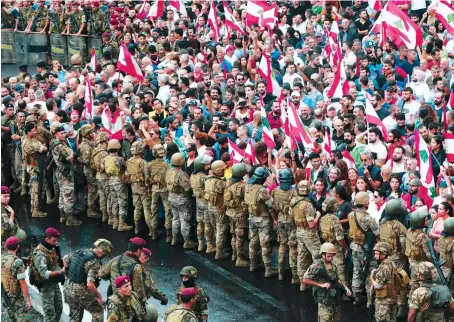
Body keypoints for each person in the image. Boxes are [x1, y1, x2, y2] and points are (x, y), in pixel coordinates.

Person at [63, 239, 113, 322]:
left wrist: (67, 273)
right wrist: (99, 297)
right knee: (98, 311)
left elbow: (65, 259)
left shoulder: (79, 252)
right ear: (101, 252)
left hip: (68, 286)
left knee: (75, 314)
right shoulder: (94, 263)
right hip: (81, 291)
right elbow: (90, 284)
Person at [303, 242, 352, 322]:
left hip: (334, 297)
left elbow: (338, 279)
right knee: (325, 319)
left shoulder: (333, 263)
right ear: (323, 254)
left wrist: (346, 289)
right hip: (324, 299)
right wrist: (321, 285)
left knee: (336, 318)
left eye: (332, 256)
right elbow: (305, 279)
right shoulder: (317, 265)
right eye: (329, 256)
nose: (331, 258)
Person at [245, 167, 278, 278]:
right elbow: (271, 205)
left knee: (253, 242)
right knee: (265, 244)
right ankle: (268, 269)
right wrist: (275, 219)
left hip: (252, 218)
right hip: (263, 219)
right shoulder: (262, 190)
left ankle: (253, 265)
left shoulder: (248, 187)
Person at [348, 191, 380, 305]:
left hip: (355, 247)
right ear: (366, 203)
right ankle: (369, 301)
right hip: (367, 249)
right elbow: (377, 233)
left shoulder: (351, 215)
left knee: (357, 271)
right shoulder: (368, 218)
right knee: (370, 273)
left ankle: (356, 297)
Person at [379, 199, 409, 317]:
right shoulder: (400, 226)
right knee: (401, 281)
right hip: (397, 258)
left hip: (385, 256)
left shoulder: (382, 222)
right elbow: (403, 245)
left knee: (388, 279)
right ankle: (401, 306)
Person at [1, 236, 43, 322]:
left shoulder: (2, 258)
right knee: (23, 318)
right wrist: (28, 300)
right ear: (17, 247)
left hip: (4, 294)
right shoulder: (17, 262)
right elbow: (22, 282)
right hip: (16, 297)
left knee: (7, 317)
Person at [289, 180, 321, 290]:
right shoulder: (308, 205)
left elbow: (290, 216)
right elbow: (311, 224)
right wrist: (318, 215)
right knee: (318, 257)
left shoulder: (294, 201)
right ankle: (314, 280)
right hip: (309, 233)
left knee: (301, 256)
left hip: (299, 231)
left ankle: (302, 283)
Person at [30, 228, 65, 322]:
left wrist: (61, 269)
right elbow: (44, 274)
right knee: (49, 312)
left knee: (59, 308)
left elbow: (55, 263)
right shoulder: (39, 253)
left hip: (54, 283)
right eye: (54, 240)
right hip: (45, 286)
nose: (55, 242)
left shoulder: (51, 248)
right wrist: (61, 272)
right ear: (47, 240)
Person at [270, 168, 298, 282]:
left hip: (280, 220)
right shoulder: (293, 192)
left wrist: (275, 219)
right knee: (292, 248)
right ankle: (294, 276)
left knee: (282, 246)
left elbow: (271, 208)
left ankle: (280, 273)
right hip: (291, 222)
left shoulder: (275, 191)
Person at [99, 237, 147, 303]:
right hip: (128, 303)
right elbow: (139, 292)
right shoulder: (137, 267)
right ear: (138, 250)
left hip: (113, 300)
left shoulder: (115, 259)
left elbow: (101, 274)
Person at [51, 125, 82, 226]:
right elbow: (71, 158)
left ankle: (62, 216)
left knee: (62, 195)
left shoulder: (54, 143)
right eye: (61, 133)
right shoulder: (60, 146)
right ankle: (70, 218)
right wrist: (75, 153)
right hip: (66, 173)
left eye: (64, 133)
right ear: (56, 134)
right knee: (68, 196)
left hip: (59, 172)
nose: (64, 135)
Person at [165, 152, 195, 247]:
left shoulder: (169, 171)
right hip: (182, 200)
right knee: (184, 220)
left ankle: (174, 238)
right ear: (182, 162)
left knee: (175, 218)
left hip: (171, 197)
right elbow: (187, 189)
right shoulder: (182, 174)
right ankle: (187, 241)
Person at [102, 139, 132, 231]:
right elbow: (127, 168)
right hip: (119, 182)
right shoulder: (120, 159)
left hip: (110, 181)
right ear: (118, 149)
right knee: (122, 203)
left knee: (114, 202)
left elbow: (102, 168)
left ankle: (115, 222)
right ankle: (121, 224)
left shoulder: (105, 159)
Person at [319, 198, 348, 288]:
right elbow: (339, 238)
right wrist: (345, 247)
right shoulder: (335, 219)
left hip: (327, 245)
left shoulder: (322, 219)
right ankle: (344, 292)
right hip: (336, 247)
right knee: (340, 269)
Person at [224, 163, 249, 267]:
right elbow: (247, 199)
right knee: (240, 236)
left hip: (230, 213)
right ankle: (239, 258)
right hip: (240, 214)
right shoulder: (243, 186)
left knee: (234, 234)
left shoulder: (227, 183)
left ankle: (234, 254)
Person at [21, 123, 48, 218]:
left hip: (33, 166)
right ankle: (35, 210)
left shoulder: (29, 139)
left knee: (34, 188)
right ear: (28, 132)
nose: (35, 132)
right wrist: (43, 146)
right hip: (34, 168)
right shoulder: (29, 143)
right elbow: (43, 148)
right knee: (36, 189)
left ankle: (33, 208)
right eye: (33, 131)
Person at [405, 208, 433, 298]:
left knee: (414, 283)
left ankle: (411, 300)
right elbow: (429, 253)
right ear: (419, 222)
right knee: (422, 286)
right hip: (421, 264)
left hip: (412, 262)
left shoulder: (409, 230)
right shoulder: (422, 236)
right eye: (425, 220)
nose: (427, 221)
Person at [125, 141, 151, 235]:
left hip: (134, 187)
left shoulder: (129, 161)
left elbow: (127, 175)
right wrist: (148, 187)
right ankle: (151, 231)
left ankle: (136, 228)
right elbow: (147, 177)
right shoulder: (143, 162)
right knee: (146, 209)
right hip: (143, 188)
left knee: (137, 208)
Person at [204, 160, 228, 257]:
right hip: (219, 208)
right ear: (219, 171)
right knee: (220, 230)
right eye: (223, 169)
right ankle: (219, 252)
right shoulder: (220, 183)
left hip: (210, 207)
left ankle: (213, 247)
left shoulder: (208, 180)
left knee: (215, 228)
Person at [370, 242, 398, 322]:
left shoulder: (384, 267)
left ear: (383, 254)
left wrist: (371, 277)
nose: (375, 256)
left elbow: (377, 286)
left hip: (383, 301)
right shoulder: (391, 263)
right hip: (392, 298)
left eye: (377, 253)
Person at [190, 155, 212, 252]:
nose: (208, 166)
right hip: (206, 203)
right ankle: (209, 245)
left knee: (200, 223)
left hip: (198, 202)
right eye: (206, 165)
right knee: (207, 224)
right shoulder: (203, 177)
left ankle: (200, 244)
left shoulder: (193, 176)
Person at [148, 144, 171, 240]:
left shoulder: (150, 164)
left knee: (154, 210)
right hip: (164, 189)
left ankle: (153, 233)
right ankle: (169, 235)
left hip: (154, 189)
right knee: (167, 211)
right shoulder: (166, 165)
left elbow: (147, 178)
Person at [77, 124, 99, 218]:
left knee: (94, 189)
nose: (92, 134)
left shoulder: (90, 142)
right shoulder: (85, 145)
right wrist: (96, 165)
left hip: (92, 170)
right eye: (90, 132)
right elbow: (86, 161)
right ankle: (90, 210)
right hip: (90, 170)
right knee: (93, 190)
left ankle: (93, 206)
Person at [91, 132, 112, 223]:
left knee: (102, 197)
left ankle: (104, 216)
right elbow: (107, 167)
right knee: (108, 198)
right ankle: (109, 217)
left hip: (98, 176)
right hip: (105, 177)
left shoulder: (95, 150)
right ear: (105, 140)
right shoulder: (104, 153)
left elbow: (92, 164)